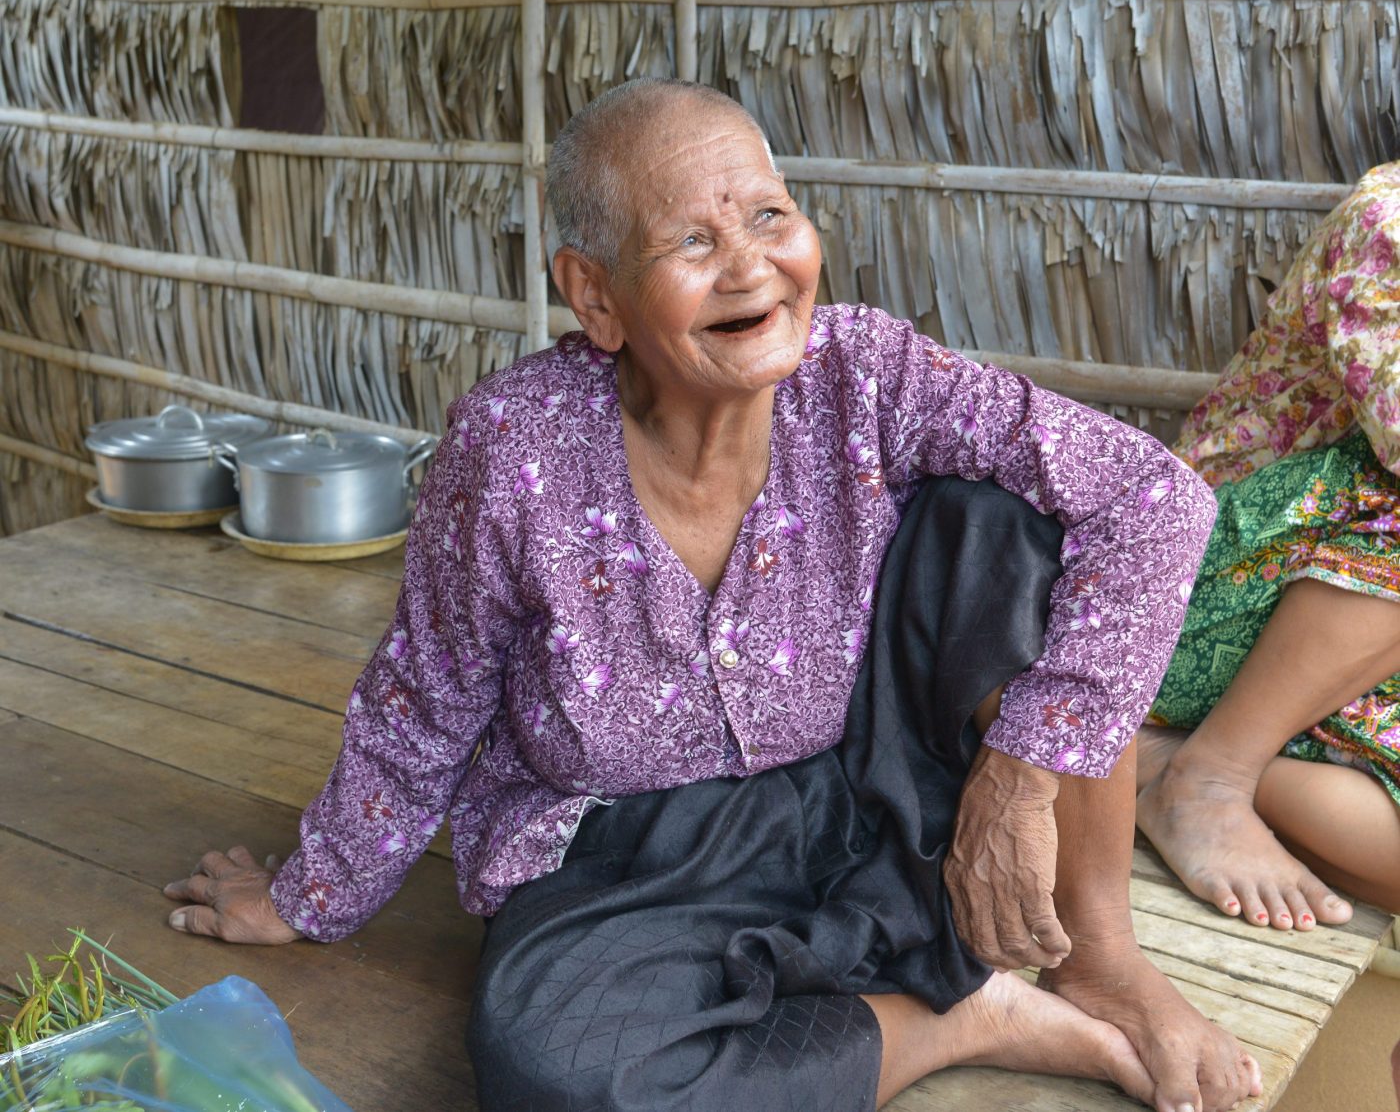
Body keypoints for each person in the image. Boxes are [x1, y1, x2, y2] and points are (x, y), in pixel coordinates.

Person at [163, 79, 1260, 1112]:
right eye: (691, 240)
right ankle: (962, 1018)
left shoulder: (865, 371)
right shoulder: (511, 451)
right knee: (557, 1067)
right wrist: (313, 893)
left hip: (867, 791)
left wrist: (1018, 777)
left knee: (1005, 530)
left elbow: (1154, 497)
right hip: (630, 860)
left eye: (768, 216)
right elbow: (426, 696)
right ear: (595, 294)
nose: (750, 267)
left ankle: (1100, 960)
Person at [1136, 162, 1400, 934]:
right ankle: (1211, 774)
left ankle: (1151, 763)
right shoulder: (1390, 221)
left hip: (1336, 632)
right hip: (1202, 591)